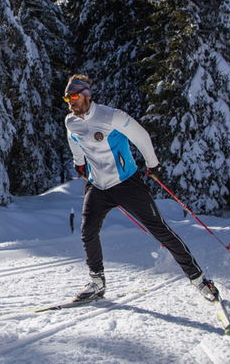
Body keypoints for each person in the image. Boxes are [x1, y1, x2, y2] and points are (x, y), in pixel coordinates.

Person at [63, 74, 219, 302]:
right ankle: (97, 283)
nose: (71, 102)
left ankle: (199, 279)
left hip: (127, 184)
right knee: (88, 232)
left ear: (87, 95)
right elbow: (73, 140)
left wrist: (152, 163)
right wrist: (78, 162)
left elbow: (141, 136)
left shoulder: (111, 116)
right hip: (98, 185)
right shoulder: (71, 121)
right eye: (67, 98)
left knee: (160, 230)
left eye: (74, 96)